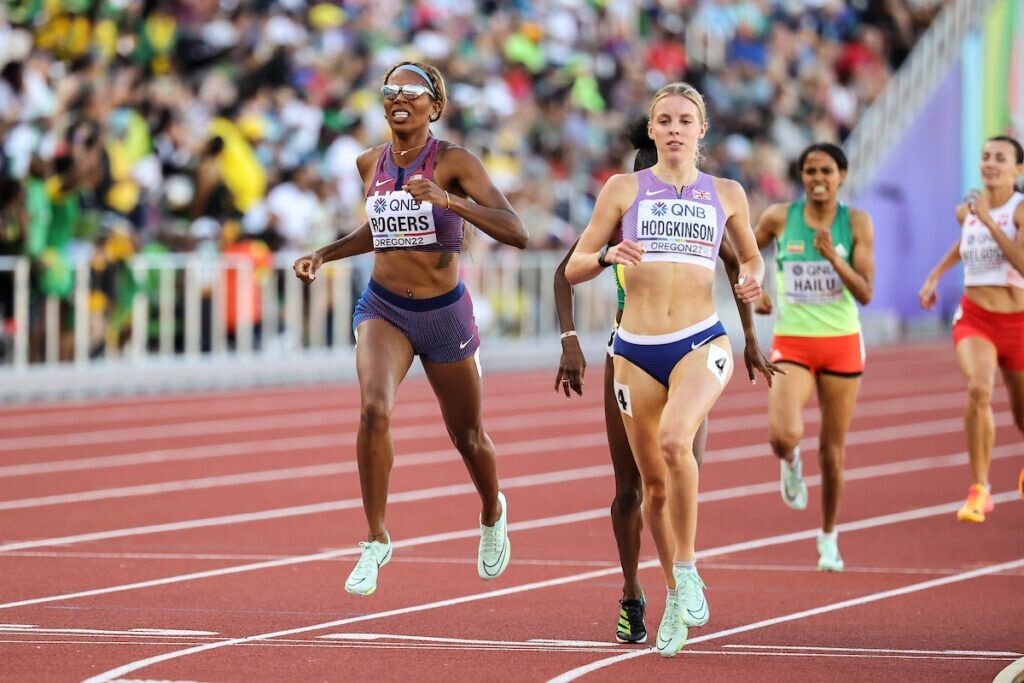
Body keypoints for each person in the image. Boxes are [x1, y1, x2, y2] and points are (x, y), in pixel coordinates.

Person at [293, 61, 528, 596]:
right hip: (384, 310)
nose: (400, 98)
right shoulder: (368, 162)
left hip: (444, 315)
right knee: (374, 410)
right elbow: (377, 231)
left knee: (467, 437)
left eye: (413, 92)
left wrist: (449, 200)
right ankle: (376, 538)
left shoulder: (455, 161)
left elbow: (517, 231)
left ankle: (492, 511)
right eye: (391, 90)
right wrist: (323, 254)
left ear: (435, 107)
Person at [553, 116, 782, 646]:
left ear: (699, 132)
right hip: (630, 349)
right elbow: (570, 268)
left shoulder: (714, 199)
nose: (674, 132)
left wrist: (751, 324)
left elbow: (742, 261)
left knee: (680, 451)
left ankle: (685, 572)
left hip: (696, 342)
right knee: (639, 488)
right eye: (664, 123)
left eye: (684, 123)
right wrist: (572, 332)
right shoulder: (621, 201)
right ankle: (648, 595)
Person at [753, 143, 875, 572]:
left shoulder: (855, 222)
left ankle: (828, 537)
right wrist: (756, 289)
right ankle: (790, 461)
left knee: (832, 452)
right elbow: (742, 255)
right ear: (801, 176)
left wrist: (833, 258)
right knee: (782, 434)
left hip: (841, 343)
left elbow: (865, 292)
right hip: (794, 342)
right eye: (810, 170)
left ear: (842, 175)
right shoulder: (779, 217)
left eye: (826, 170)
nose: (817, 178)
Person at [918, 135, 1024, 523]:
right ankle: (980, 489)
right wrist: (935, 275)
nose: (990, 163)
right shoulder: (966, 211)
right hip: (976, 318)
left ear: (1018, 169)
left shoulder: (1019, 211)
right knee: (979, 389)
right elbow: (964, 242)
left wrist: (990, 221)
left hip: (1018, 323)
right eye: (986, 156)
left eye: (1000, 158)